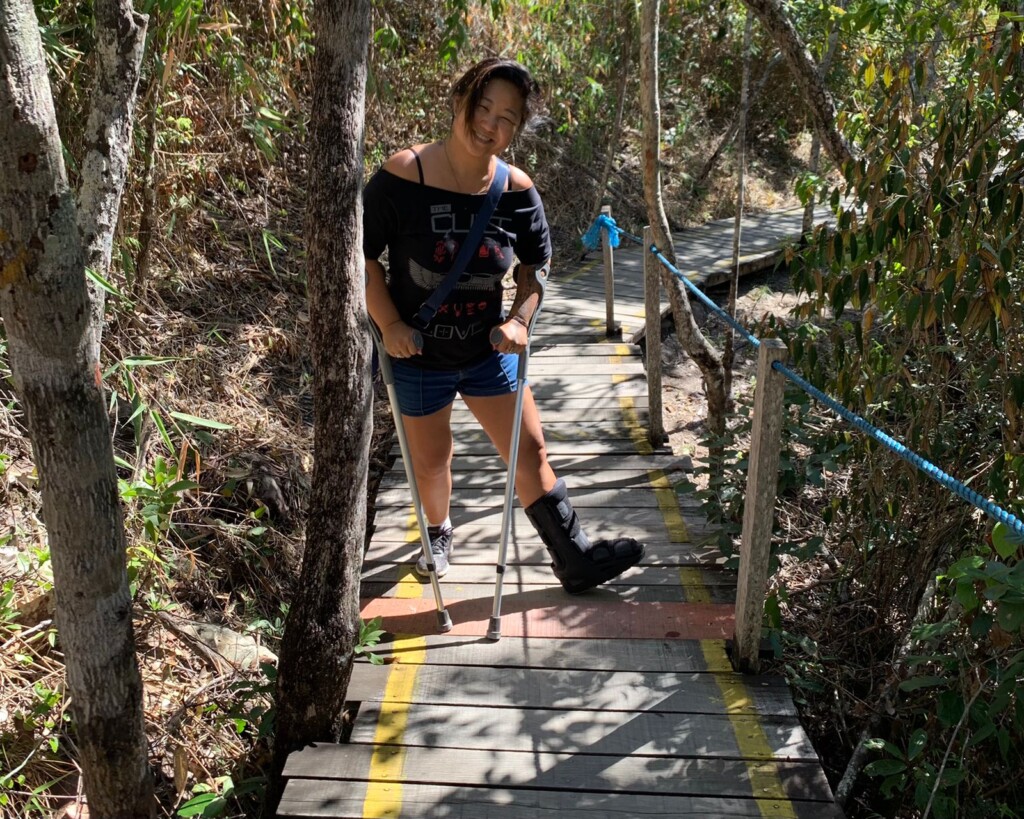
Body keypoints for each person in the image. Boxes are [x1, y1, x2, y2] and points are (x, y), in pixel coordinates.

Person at [363, 57, 644, 594]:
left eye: (508, 117)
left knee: (530, 451)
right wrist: (390, 322)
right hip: (417, 352)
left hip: (489, 351)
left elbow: (535, 270)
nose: (490, 124)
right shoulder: (403, 175)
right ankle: (439, 532)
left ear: (518, 127)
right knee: (430, 462)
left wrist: (519, 318)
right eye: (483, 107)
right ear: (459, 101)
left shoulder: (516, 190)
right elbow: (364, 257)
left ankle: (573, 556)